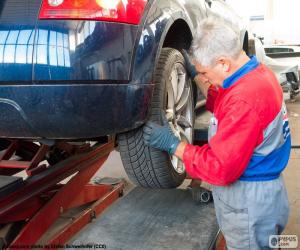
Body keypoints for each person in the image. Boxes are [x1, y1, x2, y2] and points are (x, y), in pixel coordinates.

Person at [143, 18, 290, 250]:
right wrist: (195, 75)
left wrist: (174, 145)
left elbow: (219, 168)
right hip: (266, 195)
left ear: (223, 63)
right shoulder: (258, 75)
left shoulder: (244, 99)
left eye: (204, 71)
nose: (205, 77)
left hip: (249, 203)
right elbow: (224, 100)